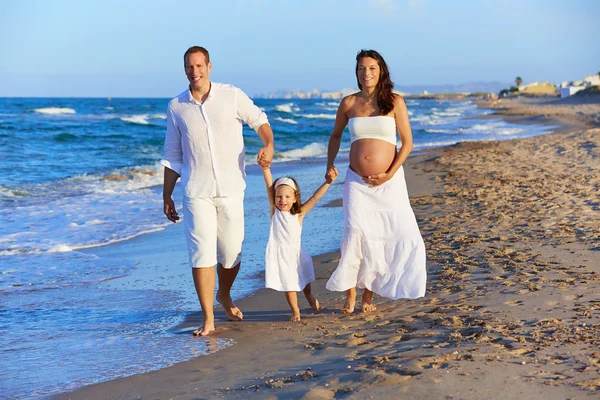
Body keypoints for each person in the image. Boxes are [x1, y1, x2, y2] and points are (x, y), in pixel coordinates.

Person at [162, 46, 274, 336]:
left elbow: (260, 120)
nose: (194, 71)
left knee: (231, 252)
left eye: (199, 66)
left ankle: (224, 294)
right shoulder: (177, 107)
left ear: (209, 66)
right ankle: (208, 317)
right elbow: (173, 156)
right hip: (196, 191)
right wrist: (167, 195)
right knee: (201, 254)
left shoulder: (231, 95)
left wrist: (269, 144)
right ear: (184, 68)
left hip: (231, 188)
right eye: (189, 66)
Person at [324, 49, 426, 313]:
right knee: (356, 233)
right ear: (356, 72)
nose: (366, 73)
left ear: (381, 71)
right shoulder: (348, 103)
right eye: (361, 68)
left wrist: (389, 173)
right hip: (356, 181)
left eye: (371, 68)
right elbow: (335, 136)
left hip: (389, 182)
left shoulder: (394, 102)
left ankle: (369, 296)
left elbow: (407, 143)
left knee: (383, 234)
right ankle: (350, 295)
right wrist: (330, 164)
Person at [262, 166, 338, 321]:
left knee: (304, 281)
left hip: (296, 254)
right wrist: (265, 168)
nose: (282, 200)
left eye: (287, 197)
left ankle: (309, 296)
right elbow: (269, 186)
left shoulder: (299, 214)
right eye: (279, 197)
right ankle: (295, 310)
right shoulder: (274, 211)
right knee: (289, 284)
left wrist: (328, 183)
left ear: (295, 198)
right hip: (281, 256)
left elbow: (315, 198)